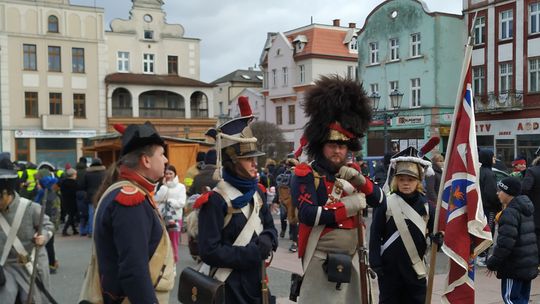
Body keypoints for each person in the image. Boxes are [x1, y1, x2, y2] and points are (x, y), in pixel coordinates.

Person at [290, 75, 384, 303]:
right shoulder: (306, 175)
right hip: (320, 257)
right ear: (321, 145)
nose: (338, 151)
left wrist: (361, 181)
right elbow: (308, 214)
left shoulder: (352, 172)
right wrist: (347, 206)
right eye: (332, 145)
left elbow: (379, 200)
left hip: (352, 257)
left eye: (342, 146)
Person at [195, 96, 278, 304]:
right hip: (228, 287)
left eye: (255, 158)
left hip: (257, 283)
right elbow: (209, 251)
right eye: (248, 159)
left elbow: (270, 227)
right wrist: (251, 254)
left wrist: (268, 239)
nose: (254, 164)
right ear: (232, 161)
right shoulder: (215, 200)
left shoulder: (257, 193)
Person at [92, 122, 174, 303]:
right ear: (145, 160)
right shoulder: (131, 200)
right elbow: (134, 270)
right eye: (161, 154)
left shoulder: (126, 192)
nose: (166, 160)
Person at [369, 147, 439, 304]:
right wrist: (375, 262)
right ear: (396, 181)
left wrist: (438, 239)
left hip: (416, 269)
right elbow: (375, 234)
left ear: (418, 181)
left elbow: (435, 237)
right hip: (389, 269)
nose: (406, 183)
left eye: (410, 180)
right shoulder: (386, 203)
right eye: (401, 179)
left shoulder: (428, 207)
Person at [0, 155, 55, 303]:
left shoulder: (30, 208)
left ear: (7, 193)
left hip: (30, 265)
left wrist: (43, 236)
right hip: (5, 267)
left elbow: (48, 226)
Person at [487, 177, 539, 304]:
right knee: (522, 299)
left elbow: (505, 243)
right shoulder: (525, 209)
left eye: (500, 190)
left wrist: (493, 262)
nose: (497, 193)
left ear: (508, 193)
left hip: (513, 267)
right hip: (527, 264)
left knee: (511, 299)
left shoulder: (510, 213)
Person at [154, 164, 186, 264]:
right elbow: (156, 199)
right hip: (162, 217)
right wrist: (164, 187)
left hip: (174, 218)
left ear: (175, 174)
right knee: (162, 241)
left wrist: (170, 202)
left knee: (173, 242)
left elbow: (182, 202)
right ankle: (163, 264)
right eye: (166, 173)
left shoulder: (180, 187)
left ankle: (173, 264)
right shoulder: (160, 186)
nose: (168, 175)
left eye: (170, 173)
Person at [477, 148, 501, 266]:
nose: (494, 159)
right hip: (489, 208)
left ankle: (479, 255)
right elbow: (491, 193)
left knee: (480, 231)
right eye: (493, 157)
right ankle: (482, 256)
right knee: (488, 231)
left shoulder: (479, 171)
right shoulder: (489, 174)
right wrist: (498, 204)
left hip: (480, 207)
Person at [34, 168, 61, 274]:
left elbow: (47, 213)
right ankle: (52, 262)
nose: (36, 184)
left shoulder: (45, 196)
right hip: (51, 222)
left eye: (38, 181)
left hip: (48, 223)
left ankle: (51, 264)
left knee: (48, 244)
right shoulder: (49, 192)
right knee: (49, 244)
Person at [521, 153, 540, 265]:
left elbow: (524, 190)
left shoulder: (532, 171)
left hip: (535, 212)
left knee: (535, 238)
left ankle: (535, 263)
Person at [81, 157, 106, 238]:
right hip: (102, 195)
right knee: (103, 213)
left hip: (91, 195)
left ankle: (91, 231)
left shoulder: (87, 173)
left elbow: (83, 185)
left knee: (91, 214)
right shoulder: (104, 172)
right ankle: (102, 231)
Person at [59, 168, 79, 236]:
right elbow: (76, 191)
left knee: (71, 215)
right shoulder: (74, 183)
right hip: (72, 201)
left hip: (65, 200)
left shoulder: (63, 182)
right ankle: (64, 230)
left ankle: (74, 230)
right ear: (73, 175)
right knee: (71, 215)